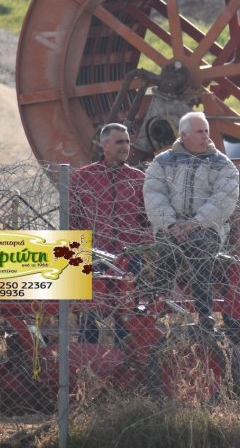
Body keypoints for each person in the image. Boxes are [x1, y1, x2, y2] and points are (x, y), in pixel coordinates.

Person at [143, 112, 240, 329]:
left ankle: (204, 316)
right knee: (167, 252)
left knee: (200, 249)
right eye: (200, 132)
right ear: (184, 135)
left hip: (207, 227)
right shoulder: (163, 162)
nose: (205, 136)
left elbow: (224, 200)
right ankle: (156, 311)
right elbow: (154, 195)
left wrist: (196, 222)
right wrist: (170, 224)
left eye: (206, 131)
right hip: (171, 226)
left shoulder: (223, 165)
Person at [70, 123, 151, 343]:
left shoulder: (137, 179)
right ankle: (88, 361)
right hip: (94, 255)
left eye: (127, 142)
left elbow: (146, 221)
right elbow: (72, 220)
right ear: (105, 145)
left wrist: (139, 246)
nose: (125, 146)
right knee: (88, 316)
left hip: (129, 257)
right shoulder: (83, 178)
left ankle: (123, 363)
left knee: (125, 316)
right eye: (119, 142)